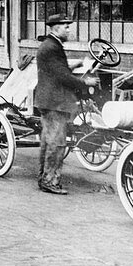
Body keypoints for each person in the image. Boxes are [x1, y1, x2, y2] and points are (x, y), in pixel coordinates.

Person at [34, 13, 97, 195]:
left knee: (48, 142)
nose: (69, 30)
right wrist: (86, 83)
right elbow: (62, 76)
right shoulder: (52, 48)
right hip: (55, 102)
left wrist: (75, 64)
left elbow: (58, 69)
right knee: (57, 143)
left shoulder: (50, 45)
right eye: (66, 26)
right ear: (55, 28)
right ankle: (50, 181)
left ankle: (44, 178)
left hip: (49, 101)